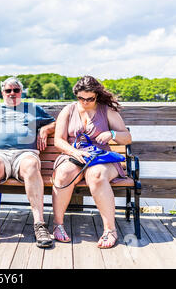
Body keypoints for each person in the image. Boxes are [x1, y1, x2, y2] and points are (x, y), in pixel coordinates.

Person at [0, 77, 56, 249]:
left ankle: (39, 225)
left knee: (31, 165)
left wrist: (45, 129)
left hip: (25, 154)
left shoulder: (32, 109)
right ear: (2, 93)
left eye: (16, 90)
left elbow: (55, 122)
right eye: (8, 90)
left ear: (21, 92)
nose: (12, 93)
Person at [51, 75, 132, 249]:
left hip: (101, 157)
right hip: (74, 154)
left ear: (96, 95)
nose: (85, 102)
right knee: (63, 173)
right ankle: (58, 225)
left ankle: (110, 230)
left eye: (90, 99)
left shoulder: (107, 110)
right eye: (81, 98)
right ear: (76, 95)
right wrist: (74, 152)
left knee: (96, 175)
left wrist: (113, 134)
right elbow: (59, 140)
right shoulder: (68, 110)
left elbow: (127, 138)